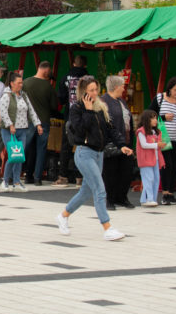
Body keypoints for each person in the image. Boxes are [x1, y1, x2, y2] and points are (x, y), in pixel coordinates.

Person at [55, 75, 132, 241]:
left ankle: (64, 215)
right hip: (84, 153)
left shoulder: (101, 107)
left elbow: (110, 129)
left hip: (99, 154)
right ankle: (107, 227)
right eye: (91, 90)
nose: (95, 93)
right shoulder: (77, 109)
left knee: (86, 191)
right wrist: (88, 111)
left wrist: (121, 145)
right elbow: (81, 131)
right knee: (99, 188)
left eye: (96, 89)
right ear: (83, 92)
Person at [149, 76, 176, 205]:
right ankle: (165, 193)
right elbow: (150, 114)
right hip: (164, 137)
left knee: (174, 166)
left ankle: (171, 193)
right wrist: (163, 117)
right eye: (175, 90)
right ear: (169, 89)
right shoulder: (160, 98)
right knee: (167, 165)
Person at [0, 71, 42, 192]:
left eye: (21, 83)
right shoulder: (6, 96)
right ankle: (6, 180)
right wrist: (10, 124)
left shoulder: (24, 95)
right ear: (12, 83)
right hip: (9, 131)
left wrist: (37, 124)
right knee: (13, 156)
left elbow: (31, 111)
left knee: (19, 156)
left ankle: (17, 181)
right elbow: (3, 112)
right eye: (18, 83)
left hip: (23, 130)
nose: (21, 85)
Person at [53, 55, 89, 187]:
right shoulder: (89, 79)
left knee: (66, 147)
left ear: (73, 63)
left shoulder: (64, 78)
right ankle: (80, 178)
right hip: (85, 116)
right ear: (85, 66)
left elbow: (61, 99)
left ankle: (63, 177)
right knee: (83, 146)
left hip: (69, 116)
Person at [100, 75, 135, 210]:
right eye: (122, 86)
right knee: (110, 172)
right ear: (116, 87)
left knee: (126, 171)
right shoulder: (104, 101)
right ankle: (109, 199)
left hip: (125, 141)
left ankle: (121, 197)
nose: (123, 88)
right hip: (111, 143)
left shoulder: (121, 101)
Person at [22, 61, 58, 186]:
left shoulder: (25, 83)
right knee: (41, 150)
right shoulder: (48, 87)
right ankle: (37, 178)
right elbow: (54, 106)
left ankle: (25, 175)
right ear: (46, 71)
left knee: (27, 148)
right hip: (43, 121)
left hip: (28, 121)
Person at [136, 109, 166, 207]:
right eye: (152, 118)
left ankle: (147, 199)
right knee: (149, 178)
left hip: (156, 158)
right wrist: (157, 144)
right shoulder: (141, 131)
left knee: (156, 178)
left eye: (156, 118)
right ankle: (149, 199)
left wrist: (160, 145)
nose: (155, 120)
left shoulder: (156, 131)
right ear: (146, 119)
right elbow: (144, 145)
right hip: (145, 159)